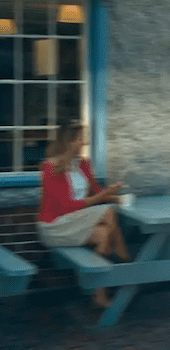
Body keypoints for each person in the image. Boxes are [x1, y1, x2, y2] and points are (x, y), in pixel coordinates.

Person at [37, 121, 129, 309]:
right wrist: (104, 198)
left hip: (77, 221)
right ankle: (124, 259)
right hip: (56, 226)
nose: (84, 143)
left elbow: (95, 191)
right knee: (109, 212)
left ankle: (99, 295)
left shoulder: (83, 164)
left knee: (105, 234)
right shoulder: (50, 168)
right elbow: (66, 206)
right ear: (69, 141)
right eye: (81, 139)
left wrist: (115, 195)